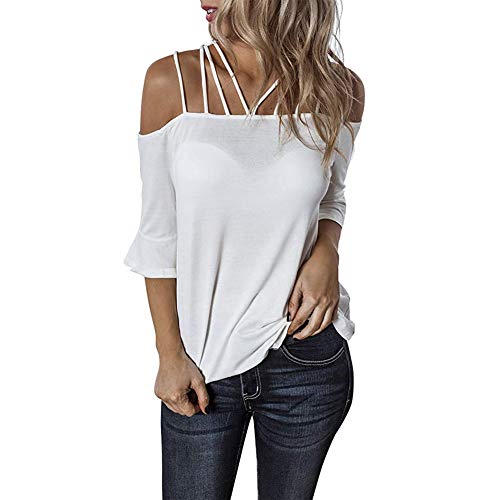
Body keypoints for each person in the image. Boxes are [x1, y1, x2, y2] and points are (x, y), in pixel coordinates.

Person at [124, 1, 365, 498]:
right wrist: (169, 354)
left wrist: (328, 250)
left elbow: (331, 197)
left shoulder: (338, 88)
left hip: (305, 357)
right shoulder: (171, 81)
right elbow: (158, 234)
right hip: (201, 365)